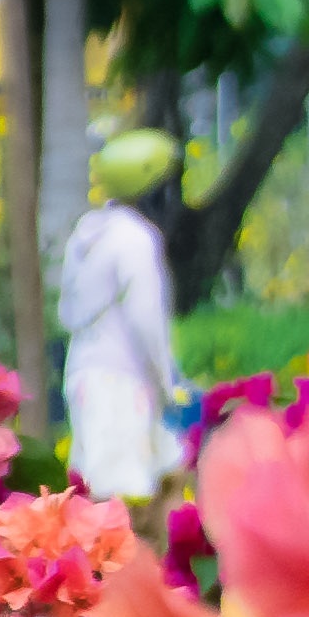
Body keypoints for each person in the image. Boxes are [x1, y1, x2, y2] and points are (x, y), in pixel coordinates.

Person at [57, 129, 189, 503]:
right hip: (122, 382)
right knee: (125, 499)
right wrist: (167, 381)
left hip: (83, 374)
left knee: (95, 490)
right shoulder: (135, 239)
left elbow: (67, 312)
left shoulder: (86, 235)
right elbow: (145, 318)